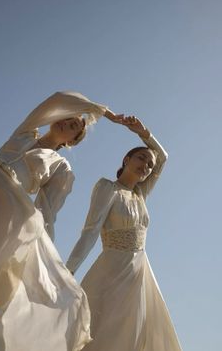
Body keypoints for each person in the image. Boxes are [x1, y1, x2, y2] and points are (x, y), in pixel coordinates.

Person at [0, 91, 118, 351]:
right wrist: (101, 112)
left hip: (5, 211)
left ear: (72, 141)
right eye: (69, 118)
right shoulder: (26, 132)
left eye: (74, 127)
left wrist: (42, 254)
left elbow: (47, 211)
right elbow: (57, 98)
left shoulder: (62, 167)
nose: (68, 122)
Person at [66, 116, 182, 351]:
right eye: (141, 158)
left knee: (136, 337)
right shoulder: (108, 188)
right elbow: (89, 233)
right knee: (104, 333)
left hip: (140, 272)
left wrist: (144, 133)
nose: (147, 166)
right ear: (126, 159)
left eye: (150, 165)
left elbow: (164, 158)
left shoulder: (141, 194)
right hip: (112, 270)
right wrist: (67, 272)